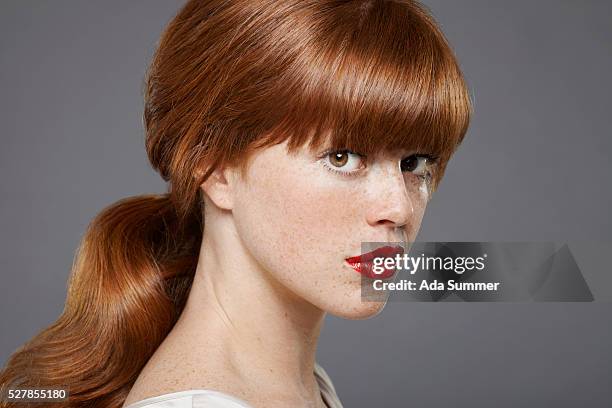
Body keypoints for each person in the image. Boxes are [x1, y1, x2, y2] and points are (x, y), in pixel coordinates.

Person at [0, 0, 471, 407]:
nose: (400, 209)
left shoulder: (298, 387)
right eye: (342, 157)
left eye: (414, 162)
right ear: (215, 168)